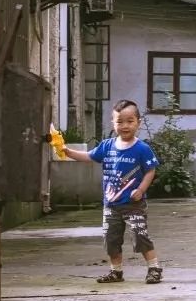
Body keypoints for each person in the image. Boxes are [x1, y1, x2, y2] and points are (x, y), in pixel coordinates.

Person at [58, 100, 164, 284]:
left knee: (140, 236)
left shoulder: (142, 149)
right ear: (113, 123)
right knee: (111, 239)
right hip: (111, 205)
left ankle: (154, 268)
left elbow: (150, 170)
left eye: (130, 121)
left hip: (134, 205)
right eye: (119, 121)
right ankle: (116, 271)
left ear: (138, 122)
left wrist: (141, 189)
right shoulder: (107, 146)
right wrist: (66, 151)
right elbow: (88, 156)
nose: (124, 126)